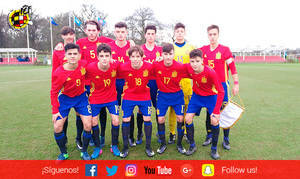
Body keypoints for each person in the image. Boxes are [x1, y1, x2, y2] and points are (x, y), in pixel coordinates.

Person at [50, 43, 92, 160]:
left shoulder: (84, 65)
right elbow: (53, 92)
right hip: (65, 99)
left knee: (88, 125)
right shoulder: (59, 72)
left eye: (75, 54)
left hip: (81, 98)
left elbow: (95, 67)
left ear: (79, 55)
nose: (72, 56)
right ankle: (63, 153)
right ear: (65, 56)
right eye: (70, 54)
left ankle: (84, 152)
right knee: (57, 126)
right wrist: (55, 111)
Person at [200, 25, 239, 150]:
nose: (212, 37)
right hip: (208, 86)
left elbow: (232, 67)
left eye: (214, 34)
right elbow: (191, 57)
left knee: (224, 111)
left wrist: (236, 83)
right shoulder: (203, 50)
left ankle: (226, 139)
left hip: (222, 86)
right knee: (209, 111)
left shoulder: (225, 50)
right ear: (207, 35)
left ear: (218, 35)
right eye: (210, 34)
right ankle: (209, 135)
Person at [76, 20, 114, 148]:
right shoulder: (80, 43)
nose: (92, 33)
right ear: (85, 31)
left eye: (94, 30)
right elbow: (72, 52)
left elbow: (118, 42)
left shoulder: (105, 41)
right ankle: (81, 137)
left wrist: (131, 42)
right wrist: (61, 44)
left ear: (98, 31)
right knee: (85, 111)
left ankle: (101, 135)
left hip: (100, 82)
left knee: (101, 109)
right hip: (86, 82)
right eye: (89, 30)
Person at [184, 49, 224, 159]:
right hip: (196, 97)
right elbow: (176, 66)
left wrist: (216, 111)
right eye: (192, 61)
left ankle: (214, 149)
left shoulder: (210, 72)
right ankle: (192, 146)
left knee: (214, 120)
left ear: (202, 60)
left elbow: (221, 91)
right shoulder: (189, 68)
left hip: (211, 97)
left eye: (197, 61)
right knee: (187, 119)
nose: (194, 64)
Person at [118, 46, 155, 158]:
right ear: (129, 57)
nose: (135, 59)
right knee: (125, 119)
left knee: (147, 118)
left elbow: (160, 69)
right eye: (132, 56)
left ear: (142, 57)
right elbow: (114, 71)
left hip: (144, 96)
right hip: (129, 95)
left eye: (138, 56)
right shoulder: (123, 67)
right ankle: (125, 147)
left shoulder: (149, 66)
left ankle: (148, 147)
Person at [86, 43, 121, 158]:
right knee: (93, 122)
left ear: (111, 56)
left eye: (107, 55)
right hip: (96, 98)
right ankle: (97, 147)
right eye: (102, 56)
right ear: (97, 57)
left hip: (111, 98)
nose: (104, 58)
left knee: (116, 121)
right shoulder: (90, 67)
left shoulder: (115, 65)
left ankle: (114, 145)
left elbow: (129, 66)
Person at [153, 43, 188, 155]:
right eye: (166, 54)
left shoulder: (180, 66)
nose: (168, 57)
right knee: (160, 119)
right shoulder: (156, 65)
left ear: (174, 54)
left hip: (177, 96)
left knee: (180, 118)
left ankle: (179, 144)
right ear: (162, 54)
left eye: (170, 54)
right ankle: (163, 144)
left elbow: (194, 72)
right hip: (163, 96)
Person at [108, 22, 137, 147]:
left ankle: (130, 137)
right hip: (113, 82)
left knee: (128, 110)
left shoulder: (131, 47)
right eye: (118, 32)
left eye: (123, 32)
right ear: (115, 33)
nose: (120, 34)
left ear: (126, 32)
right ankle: (112, 139)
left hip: (127, 82)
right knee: (114, 111)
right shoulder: (109, 47)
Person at [51, 26, 80, 149]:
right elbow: (55, 70)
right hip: (65, 90)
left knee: (80, 115)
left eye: (71, 34)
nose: (69, 36)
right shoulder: (58, 51)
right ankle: (65, 137)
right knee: (64, 116)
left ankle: (79, 139)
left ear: (74, 35)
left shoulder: (78, 49)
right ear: (62, 36)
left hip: (79, 88)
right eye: (66, 34)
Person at [168, 23, 194, 144]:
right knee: (173, 109)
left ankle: (183, 132)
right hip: (173, 83)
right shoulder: (170, 47)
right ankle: (172, 133)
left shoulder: (191, 47)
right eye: (177, 31)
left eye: (181, 31)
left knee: (186, 109)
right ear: (174, 33)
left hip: (187, 84)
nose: (179, 33)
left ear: (185, 32)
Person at [140, 24, 162, 144]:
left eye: (152, 34)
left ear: (155, 35)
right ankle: (139, 133)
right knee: (141, 110)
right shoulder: (140, 49)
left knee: (158, 108)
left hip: (157, 83)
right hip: (143, 83)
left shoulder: (160, 50)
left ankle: (160, 132)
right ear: (145, 35)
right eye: (148, 33)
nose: (150, 36)